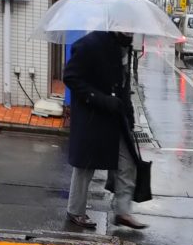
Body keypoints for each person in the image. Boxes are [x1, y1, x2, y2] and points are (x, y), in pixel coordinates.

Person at [63, 30, 147, 230]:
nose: (129, 31)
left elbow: (124, 88)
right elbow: (71, 77)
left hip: (116, 117)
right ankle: (75, 211)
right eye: (125, 26)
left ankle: (122, 212)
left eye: (132, 27)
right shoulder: (91, 43)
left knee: (128, 162)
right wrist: (99, 98)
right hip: (92, 116)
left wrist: (130, 116)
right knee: (85, 165)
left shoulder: (125, 48)